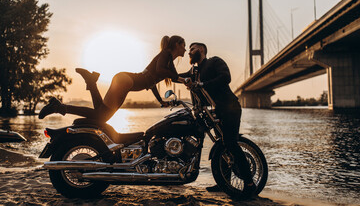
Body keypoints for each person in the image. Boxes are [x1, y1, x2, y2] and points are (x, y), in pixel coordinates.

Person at [39, 35, 188, 122]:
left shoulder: (168, 60)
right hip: (126, 81)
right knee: (102, 117)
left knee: (100, 113)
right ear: (177, 44)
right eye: (184, 46)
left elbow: (158, 79)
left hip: (126, 80)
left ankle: (91, 82)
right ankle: (58, 107)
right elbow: (160, 71)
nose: (185, 49)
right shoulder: (166, 55)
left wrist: (160, 99)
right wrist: (181, 79)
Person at [178, 42, 256, 197]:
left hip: (230, 108)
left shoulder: (214, 62)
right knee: (221, 145)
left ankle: (249, 183)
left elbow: (226, 77)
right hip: (216, 111)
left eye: (192, 49)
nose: (189, 52)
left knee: (230, 143)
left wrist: (201, 84)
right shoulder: (195, 71)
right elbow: (180, 77)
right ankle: (224, 182)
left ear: (201, 50)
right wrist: (164, 74)